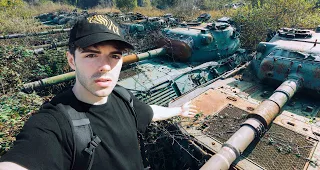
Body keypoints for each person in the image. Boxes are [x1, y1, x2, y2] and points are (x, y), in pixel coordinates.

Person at [0, 14, 199, 170]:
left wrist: (178, 110)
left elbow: (149, 112)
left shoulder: (122, 97)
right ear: (71, 60)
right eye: (91, 55)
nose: (105, 66)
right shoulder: (55, 123)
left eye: (114, 55)